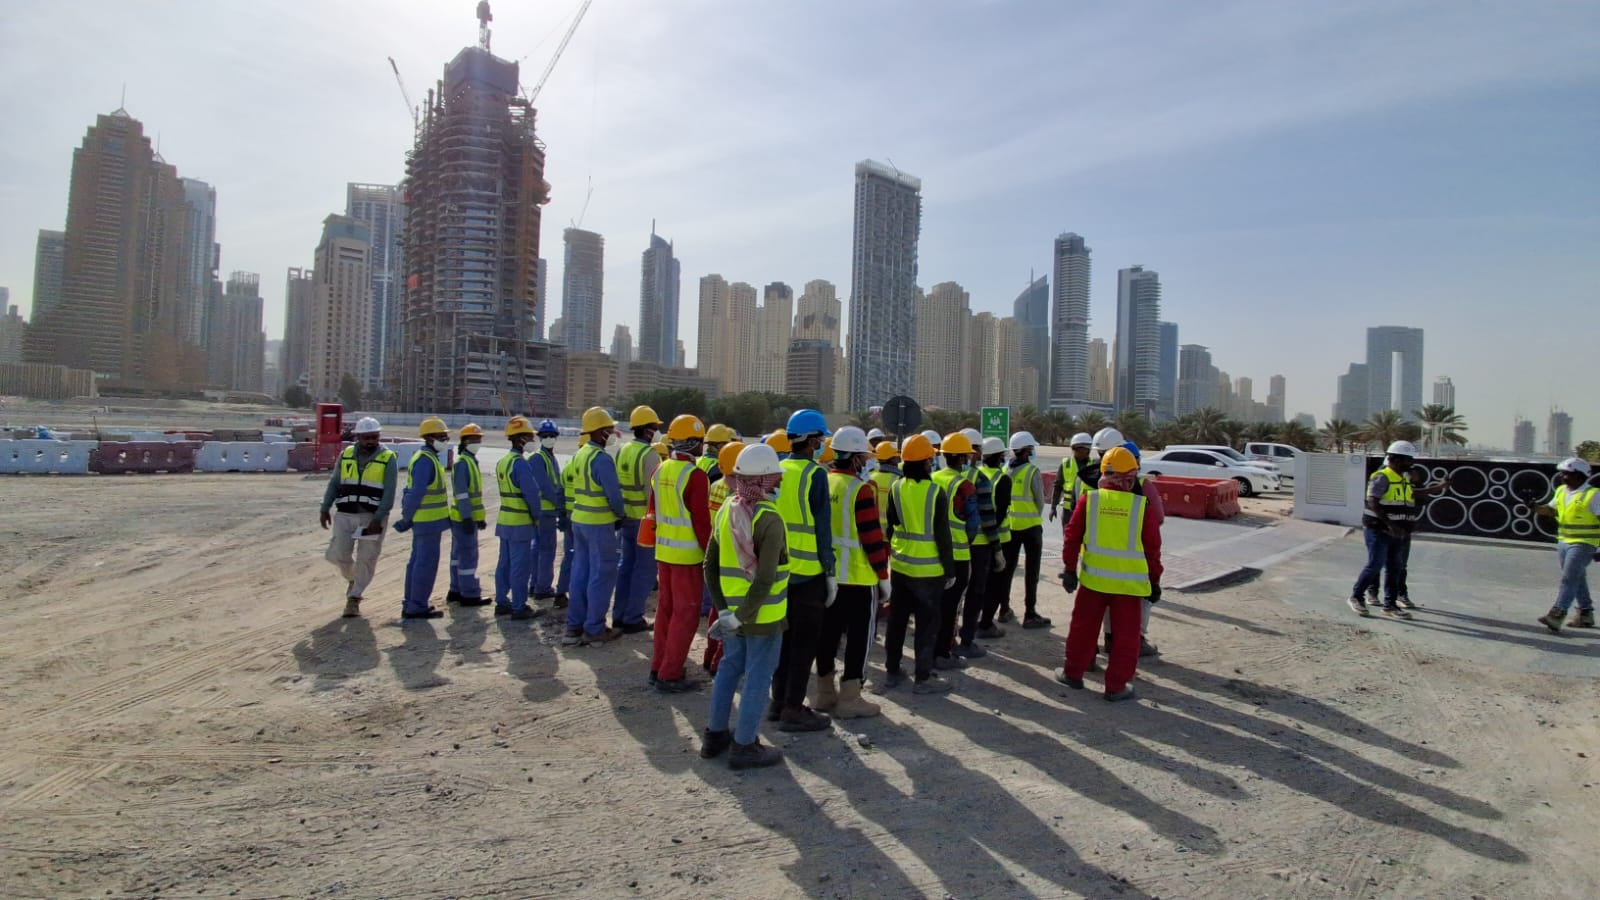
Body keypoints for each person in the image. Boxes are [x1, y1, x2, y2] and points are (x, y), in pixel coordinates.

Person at [699, 444, 790, 770]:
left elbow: (709, 565)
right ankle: (745, 745)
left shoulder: (726, 509)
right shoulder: (770, 518)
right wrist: (740, 617)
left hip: (733, 614)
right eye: (775, 475)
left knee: (728, 669)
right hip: (762, 617)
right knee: (756, 678)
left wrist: (725, 611)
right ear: (765, 479)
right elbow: (765, 580)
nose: (779, 479)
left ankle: (715, 735)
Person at [1058, 447, 1163, 702]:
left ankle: (1073, 674)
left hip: (1094, 582)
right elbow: (1152, 550)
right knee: (1126, 637)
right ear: (1130, 476)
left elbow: (1072, 536)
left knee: (1082, 629)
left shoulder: (1090, 500)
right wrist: (1155, 581)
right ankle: (1116, 687)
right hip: (1129, 587)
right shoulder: (1141, 507)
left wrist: (1070, 569)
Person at [767, 409, 835, 732]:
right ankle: (793, 708)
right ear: (811, 441)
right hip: (809, 574)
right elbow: (823, 530)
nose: (822, 444)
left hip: (779, 573)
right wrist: (830, 572)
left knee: (782, 641)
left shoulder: (776, 469)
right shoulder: (816, 475)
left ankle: (777, 701)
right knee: (804, 645)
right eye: (820, 439)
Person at [815, 426, 887, 718]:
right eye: (864, 457)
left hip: (828, 576)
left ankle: (823, 694)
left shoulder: (824, 483)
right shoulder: (861, 489)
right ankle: (850, 698)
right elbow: (871, 537)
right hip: (858, 578)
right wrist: (883, 576)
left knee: (827, 635)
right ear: (857, 459)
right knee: (859, 638)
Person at [883, 433, 957, 694]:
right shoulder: (935, 492)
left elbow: (891, 526)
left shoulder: (895, 488)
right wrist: (950, 570)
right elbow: (942, 534)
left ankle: (892, 670)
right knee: (927, 625)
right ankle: (923, 678)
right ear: (926, 462)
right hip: (929, 570)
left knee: (897, 621)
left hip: (901, 565)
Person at [650, 415, 713, 692]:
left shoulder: (661, 469)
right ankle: (670, 673)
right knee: (685, 616)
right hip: (687, 557)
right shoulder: (695, 476)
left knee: (665, 612)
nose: (703, 448)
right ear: (693, 443)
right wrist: (710, 552)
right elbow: (701, 522)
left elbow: (652, 511)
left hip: (664, 553)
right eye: (701, 442)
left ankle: (658, 666)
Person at [320, 417, 396, 618]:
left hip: (371, 517)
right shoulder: (346, 455)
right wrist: (325, 507)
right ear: (358, 437)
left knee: (366, 558)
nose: (372, 441)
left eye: (375, 436)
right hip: (345, 513)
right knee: (337, 554)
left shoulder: (388, 458)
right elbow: (335, 482)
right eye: (367, 437)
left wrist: (378, 518)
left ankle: (354, 598)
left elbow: (389, 492)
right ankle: (354, 579)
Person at [563, 407, 626, 645]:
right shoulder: (601, 459)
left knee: (581, 571)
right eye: (609, 430)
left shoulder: (580, 454)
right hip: (599, 522)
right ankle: (595, 628)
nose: (612, 433)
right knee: (602, 573)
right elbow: (614, 496)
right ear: (600, 432)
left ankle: (574, 626)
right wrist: (620, 514)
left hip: (579, 521)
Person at [1349, 440, 1423, 620]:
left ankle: (1390, 606)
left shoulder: (1402, 478)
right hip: (1378, 529)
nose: (1411, 463)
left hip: (1397, 531)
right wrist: (1390, 525)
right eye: (1408, 460)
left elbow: (1408, 500)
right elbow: (1373, 501)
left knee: (1394, 568)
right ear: (1397, 460)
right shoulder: (1382, 476)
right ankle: (1357, 596)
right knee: (1375, 563)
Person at [391, 418, 453, 620]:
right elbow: (415, 494)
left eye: (445, 437)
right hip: (427, 522)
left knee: (417, 563)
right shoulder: (425, 461)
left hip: (428, 522)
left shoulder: (425, 458)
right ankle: (416, 605)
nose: (444, 440)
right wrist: (406, 517)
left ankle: (411, 603)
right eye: (440, 437)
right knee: (424, 564)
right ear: (428, 438)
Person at [930, 432, 980, 671]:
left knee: (935, 604)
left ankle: (930, 649)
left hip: (933, 553)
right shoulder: (964, 485)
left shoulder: (933, 478)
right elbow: (972, 524)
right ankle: (944, 652)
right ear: (962, 458)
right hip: (958, 555)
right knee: (951, 608)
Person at [613, 406, 663, 635]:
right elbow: (652, 494)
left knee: (625, 568)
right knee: (644, 571)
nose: (656, 432)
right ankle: (633, 617)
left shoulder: (623, 450)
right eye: (654, 428)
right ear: (646, 431)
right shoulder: (650, 455)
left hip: (625, 519)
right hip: (644, 521)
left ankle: (619, 616)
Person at [1534, 458, 1599, 632]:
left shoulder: (1594, 495)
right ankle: (1585, 614)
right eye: (1562, 473)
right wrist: (1534, 507)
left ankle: (1557, 614)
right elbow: (1550, 509)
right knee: (1577, 577)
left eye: (1567, 474)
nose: (1562, 477)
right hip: (1564, 541)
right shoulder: (1562, 491)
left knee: (1569, 577)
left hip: (1584, 542)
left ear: (1579, 476)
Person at [492, 417, 545, 621]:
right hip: (520, 523)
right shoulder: (520, 464)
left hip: (505, 520)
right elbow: (531, 495)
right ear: (521, 439)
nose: (533, 440)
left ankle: (502, 601)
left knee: (503, 564)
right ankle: (519, 606)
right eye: (530, 437)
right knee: (520, 567)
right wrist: (537, 516)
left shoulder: (502, 462)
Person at [958, 436, 1006, 658]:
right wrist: (997, 548)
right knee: (975, 594)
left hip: (954, 545)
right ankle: (966, 641)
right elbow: (988, 517)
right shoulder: (978, 479)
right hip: (978, 546)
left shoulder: (939, 477)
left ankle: (946, 640)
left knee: (952, 596)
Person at [996, 430, 1050, 629]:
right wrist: (1032, 514)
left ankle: (1004, 609)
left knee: (1007, 570)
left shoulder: (1004, 470)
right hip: (1031, 528)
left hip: (1010, 527)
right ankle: (1030, 613)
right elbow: (1040, 500)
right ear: (1027, 451)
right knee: (1031, 572)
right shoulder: (1032, 471)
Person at [701, 440, 746, 676]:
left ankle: (709, 658)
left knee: (716, 612)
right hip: (730, 560)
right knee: (728, 618)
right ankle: (720, 664)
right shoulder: (736, 496)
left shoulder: (717, 485)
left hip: (716, 552)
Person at [445, 423, 490, 606]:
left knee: (457, 556)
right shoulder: (464, 463)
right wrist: (468, 517)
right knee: (468, 556)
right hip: (464, 518)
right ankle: (469, 593)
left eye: (479, 439)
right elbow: (462, 494)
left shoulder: (468, 461)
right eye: (473, 440)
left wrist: (478, 518)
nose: (477, 442)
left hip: (463, 517)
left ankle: (455, 590)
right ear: (464, 442)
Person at [528, 419, 571, 608]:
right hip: (545, 511)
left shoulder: (549, 457)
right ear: (539, 438)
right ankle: (542, 587)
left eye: (552, 436)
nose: (549, 439)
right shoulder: (538, 458)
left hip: (547, 511)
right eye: (545, 436)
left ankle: (536, 584)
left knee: (539, 549)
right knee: (545, 550)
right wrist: (560, 505)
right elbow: (546, 487)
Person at [974, 438, 1014, 639]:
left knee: (979, 583)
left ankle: (974, 621)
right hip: (1000, 539)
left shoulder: (977, 475)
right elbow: (999, 515)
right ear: (1000, 457)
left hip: (976, 541)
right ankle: (986, 624)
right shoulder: (1003, 479)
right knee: (997, 584)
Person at [1049, 433, 1095, 525]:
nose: (1087, 451)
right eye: (1084, 448)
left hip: (1088, 510)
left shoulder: (1094, 465)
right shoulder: (1065, 464)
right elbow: (1057, 486)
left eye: (1088, 448)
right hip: (1068, 510)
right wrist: (1053, 507)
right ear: (1075, 448)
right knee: (1068, 537)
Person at [870, 440, 900, 519]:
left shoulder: (870, 477)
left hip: (874, 525)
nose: (899, 458)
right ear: (892, 459)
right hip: (892, 527)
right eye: (897, 456)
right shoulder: (898, 480)